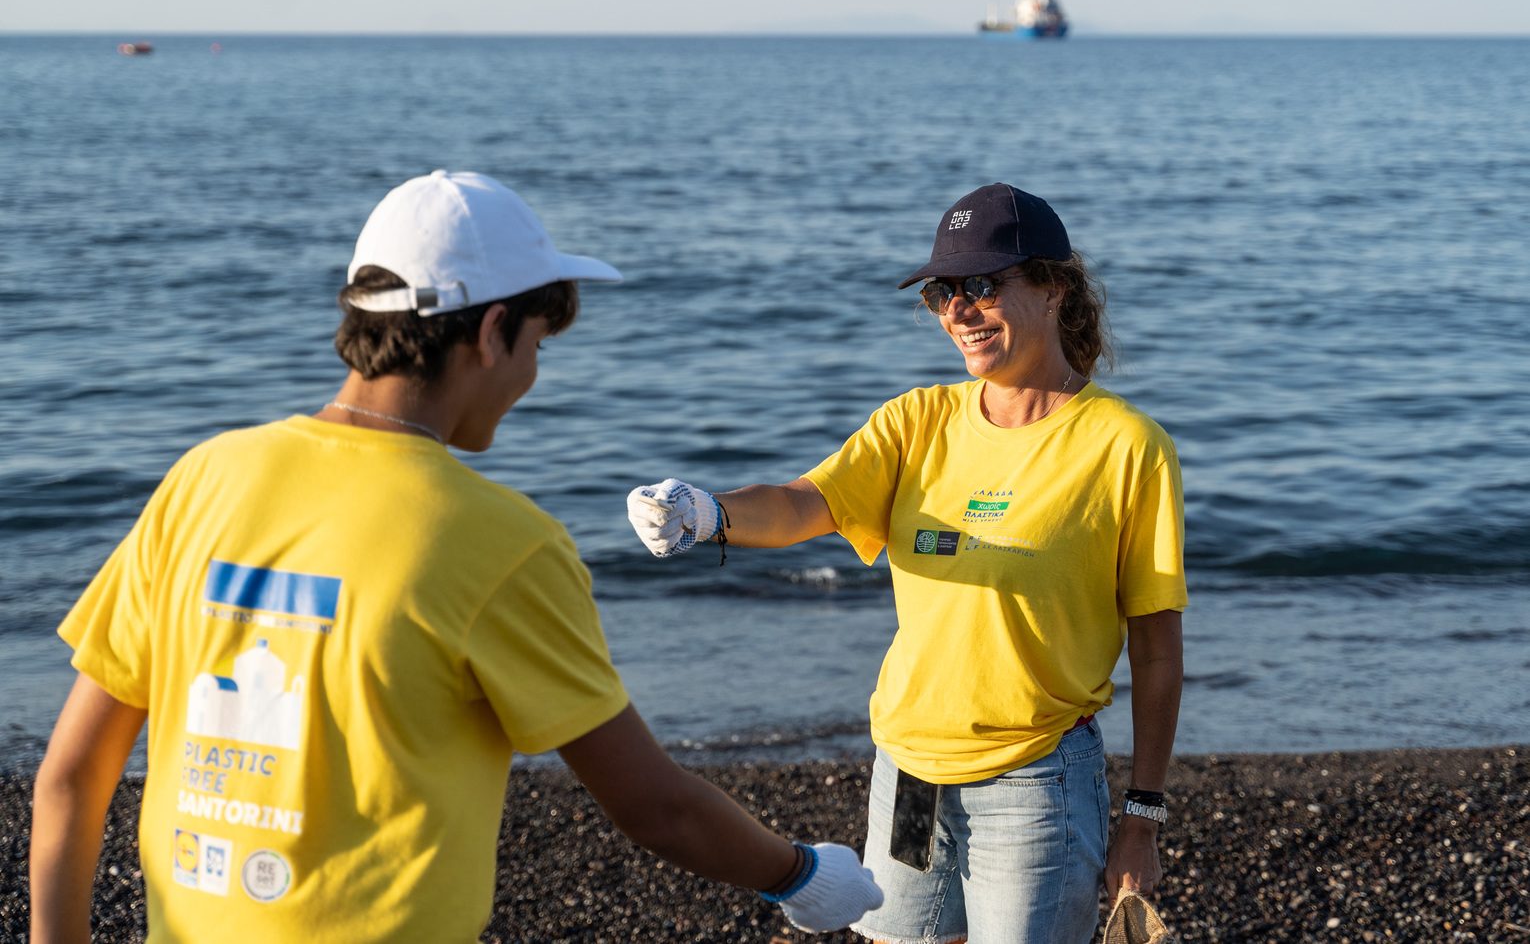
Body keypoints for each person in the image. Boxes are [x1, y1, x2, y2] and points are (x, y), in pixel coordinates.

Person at [29, 170, 882, 943]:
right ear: (492, 330)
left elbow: (70, 777)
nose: (532, 378)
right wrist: (800, 876)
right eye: (539, 346)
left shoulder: (204, 478)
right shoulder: (500, 541)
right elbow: (655, 808)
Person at [627, 183, 1186, 944]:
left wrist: (1142, 818)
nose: (959, 309)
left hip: (1034, 783)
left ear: (1055, 288)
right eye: (941, 292)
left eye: (983, 285)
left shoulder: (1126, 447)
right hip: (910, 773)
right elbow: (802, 504)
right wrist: (708, 512)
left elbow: (1155, 651)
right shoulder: (915, 422)